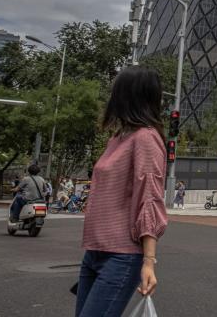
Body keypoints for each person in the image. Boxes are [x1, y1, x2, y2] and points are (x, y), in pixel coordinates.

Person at [75, 66, 168, 317]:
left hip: (122, 256)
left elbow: (149, 198)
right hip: (94, 252)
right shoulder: (118, 138)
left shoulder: (145, 139)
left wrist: (149, 261)